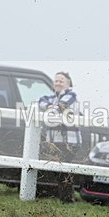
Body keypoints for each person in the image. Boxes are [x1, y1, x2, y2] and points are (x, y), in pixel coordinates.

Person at [38, 72, 83, 202]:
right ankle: (67, 199)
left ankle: (67, 200)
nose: (58, 83)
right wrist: (48, 106)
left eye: (61, 81)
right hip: (55, 142)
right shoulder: (52, 98)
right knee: (59, 170)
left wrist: (50, 109)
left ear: (68, 84)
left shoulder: (71, 96)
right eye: (56, 81)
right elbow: (40, 101)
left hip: (69, 142)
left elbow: (60, 108)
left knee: (62, 169)